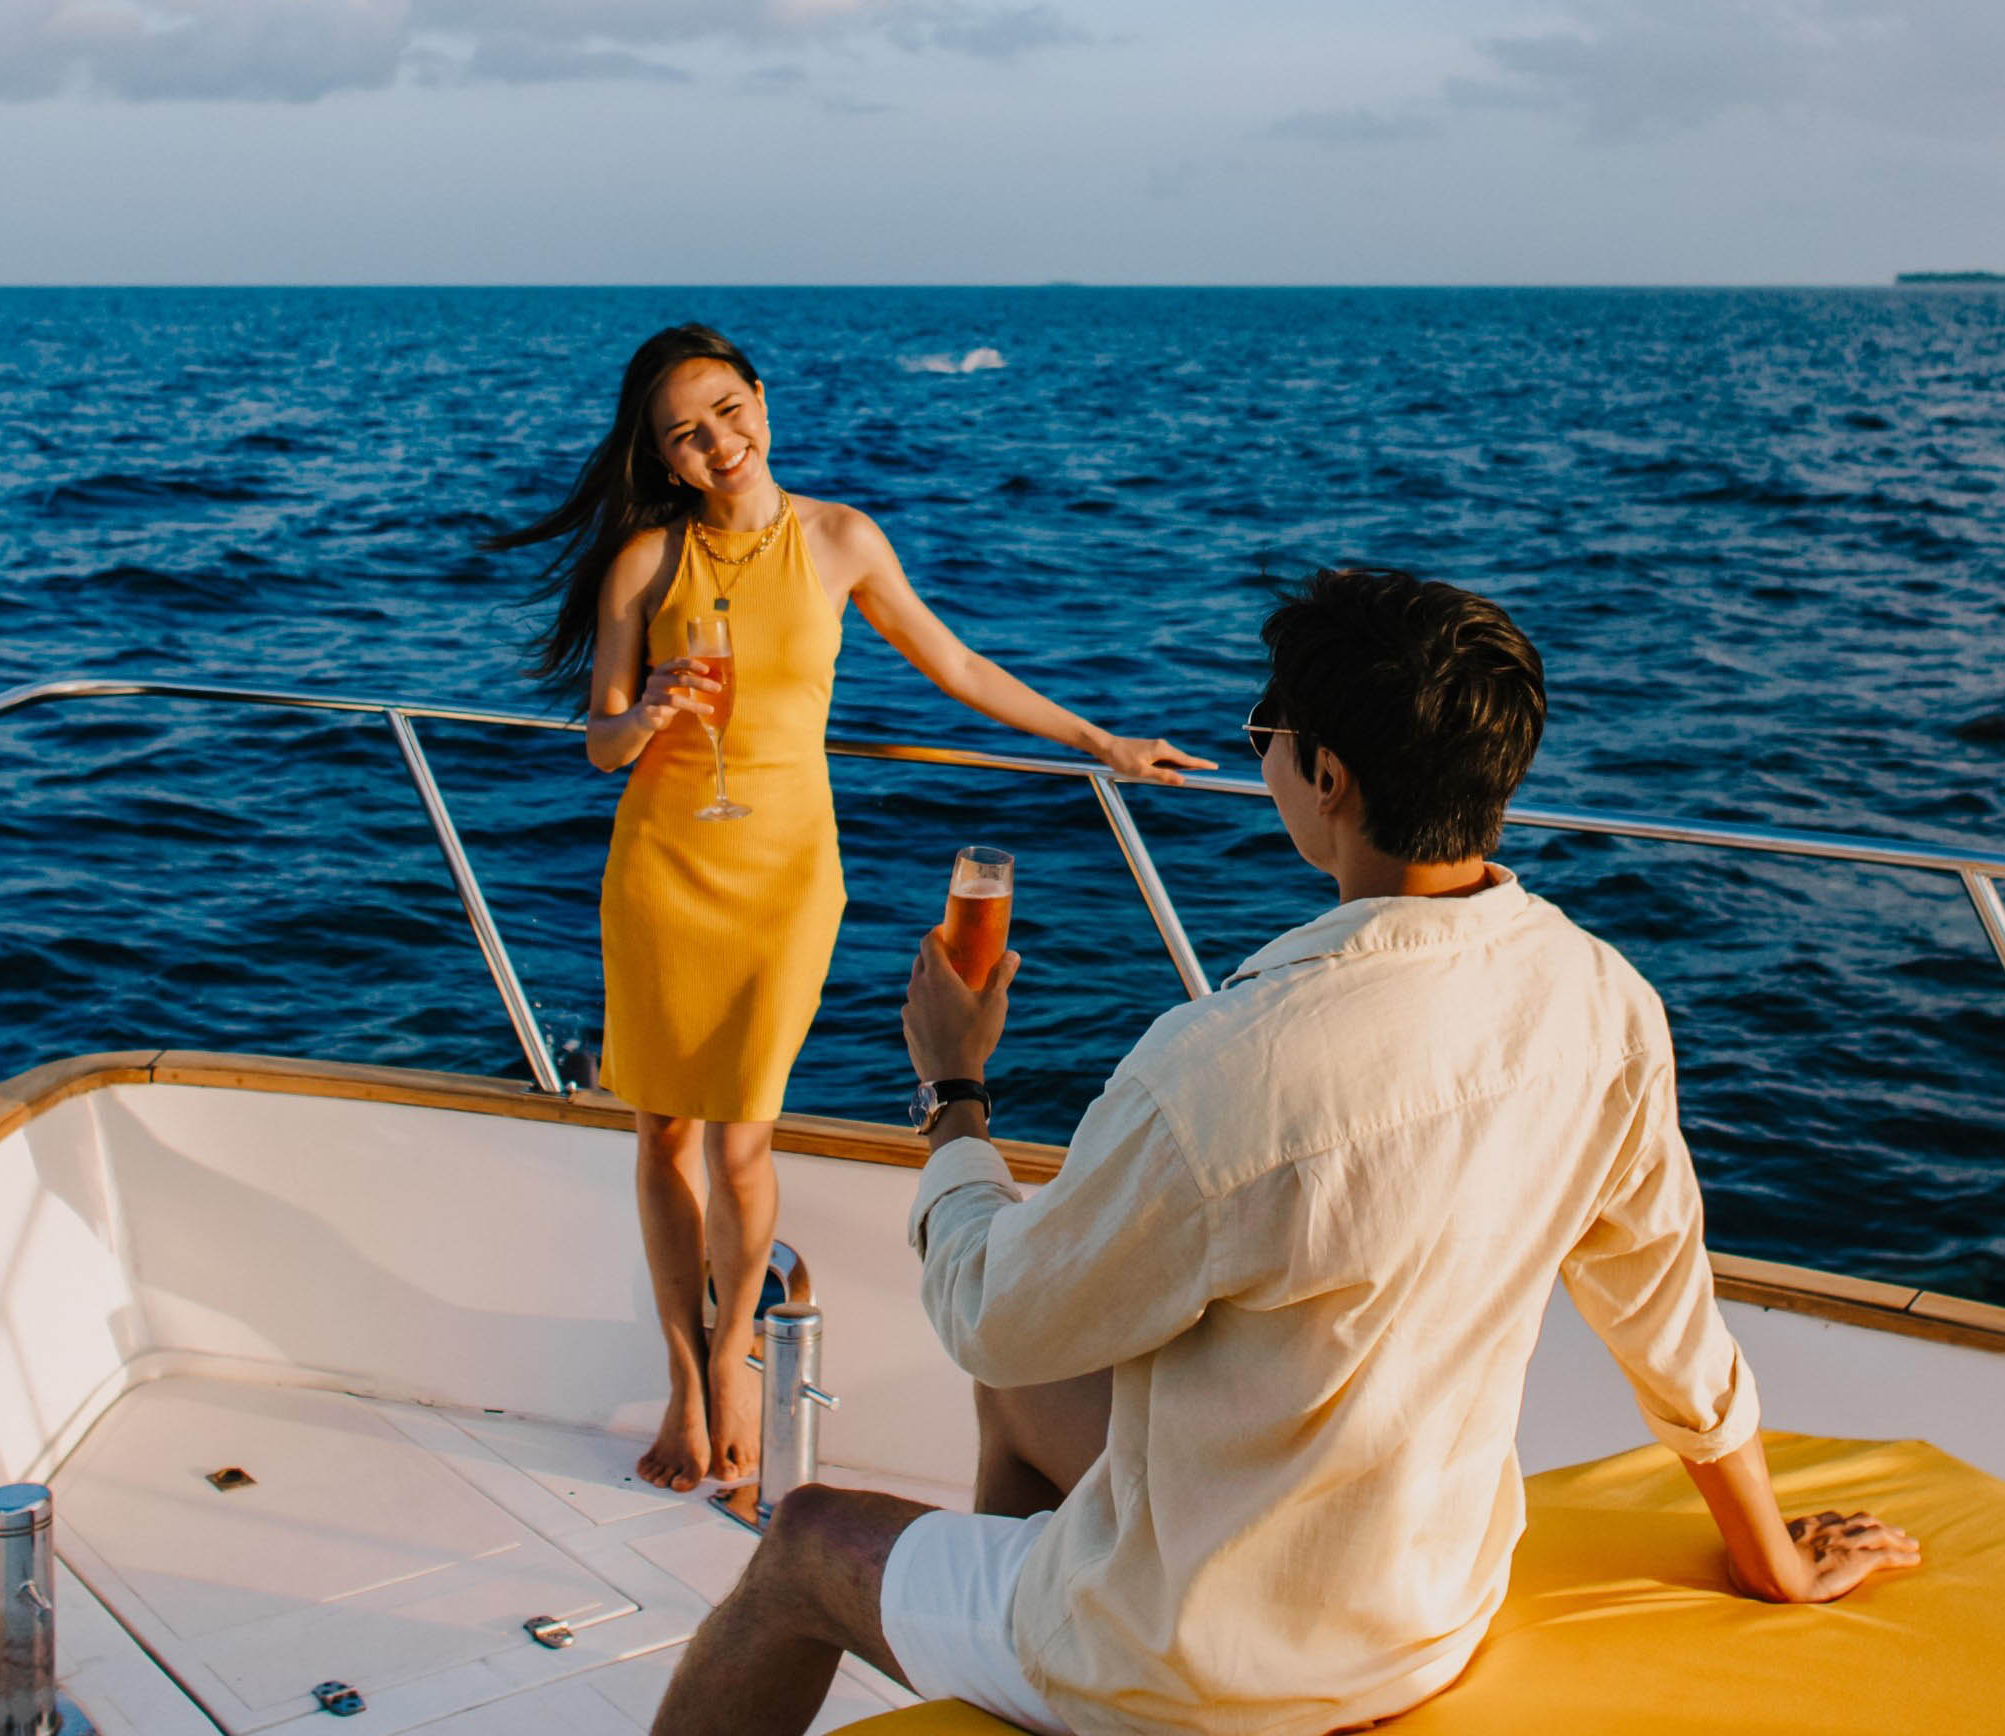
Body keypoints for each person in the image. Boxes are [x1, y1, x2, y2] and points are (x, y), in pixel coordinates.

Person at [651, 569, 1922, 1736]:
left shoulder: (1222, 1066)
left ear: (1328, 778)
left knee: (804, 1546)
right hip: (1424, 1612)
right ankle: (1031, 1678)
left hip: (1207, 1667)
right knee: (1024, 1394)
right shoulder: (1602, 1000)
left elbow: (990, 1310)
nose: (1257, 750)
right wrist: (1773, 1556)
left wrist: (955, 1093)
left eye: (1267, 727)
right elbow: (1667, 1320)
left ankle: (1068, 1667)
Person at [492, 324, 1211, 1492]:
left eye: (728, 410)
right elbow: (599, 744)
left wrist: (1100, 740)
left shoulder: (838, 540)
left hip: (783, 875)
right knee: (662, 1129)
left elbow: (958, 666)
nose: (718, 442)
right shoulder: (643, 561)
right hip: (663, 868)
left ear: (762, 403)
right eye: (686, 432)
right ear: (663, 457)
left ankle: (732, 1361)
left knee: (739, 1139)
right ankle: (684, 1378)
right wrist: (655, 709)